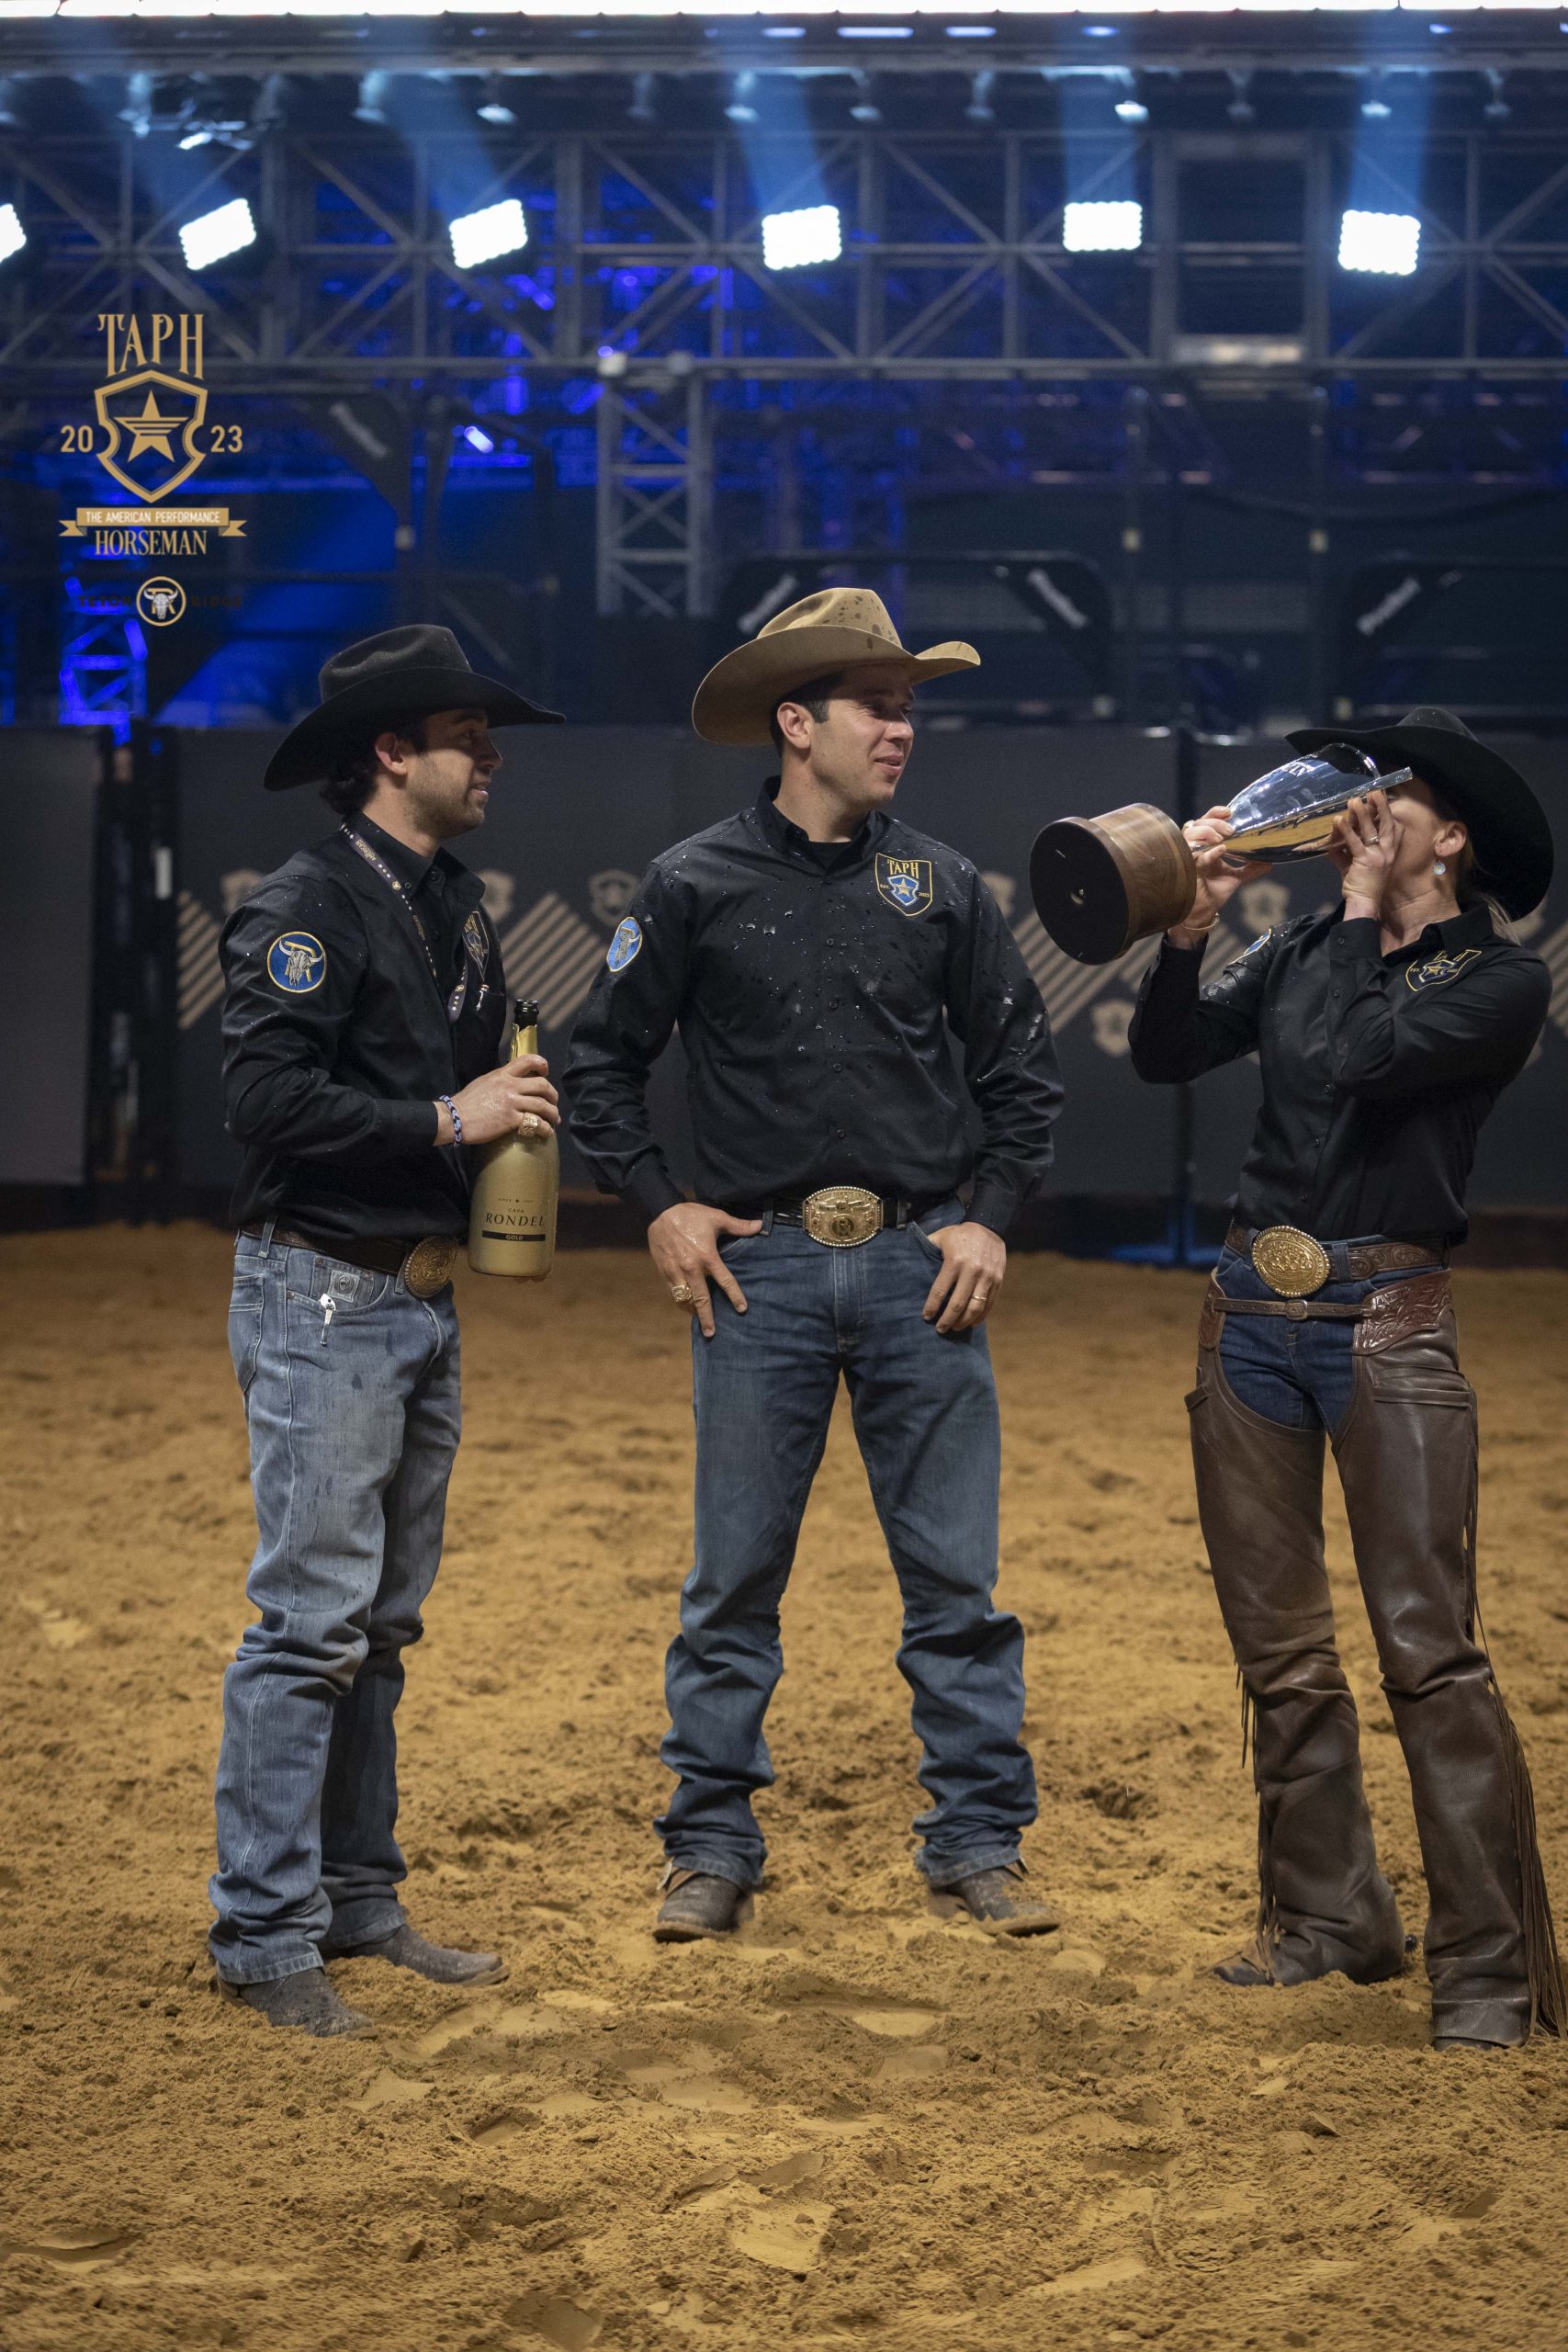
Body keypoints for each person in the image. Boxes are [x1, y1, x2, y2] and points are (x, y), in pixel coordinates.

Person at [565, 589, 1064, 1943]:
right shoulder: (693, 882)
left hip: (918, 1264)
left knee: (956, 1584)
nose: (901, 731)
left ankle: (975, 1842)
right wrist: (659, 1205)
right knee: (731, 1585)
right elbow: (599, 1061)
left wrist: (990, 1214)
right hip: (759, 1270)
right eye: (876, 706)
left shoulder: (944, 886)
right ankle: (711, 1845)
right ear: (799, 723)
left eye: (907, 708)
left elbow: (1023, 1071)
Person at [1129, 706, 1562, 2051]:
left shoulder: (1496, 980)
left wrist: (1369, 909)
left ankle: (1488, 1971)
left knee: (1430, 1655)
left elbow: (1353, 1062)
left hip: (1389, 1322)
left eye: (1398, 797)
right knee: (1284, 1656)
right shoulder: (1303, 943)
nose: (1359, 810)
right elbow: (1167, 1054)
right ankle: (1331, 1920)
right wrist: (1192, 926)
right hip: (1250, 1315)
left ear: (1454, 839)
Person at [210, 625, 563, 2037]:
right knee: (310, 1624)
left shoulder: (452, 906)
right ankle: (263, 1934)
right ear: (389, 753)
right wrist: (446, 1120)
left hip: (410, 1293)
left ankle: (356, 1900)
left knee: (379, 1625)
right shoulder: (306, 906)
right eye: (467, 733)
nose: (491, 754)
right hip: (324, 1287)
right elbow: (263, 1101)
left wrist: (503, 1109)